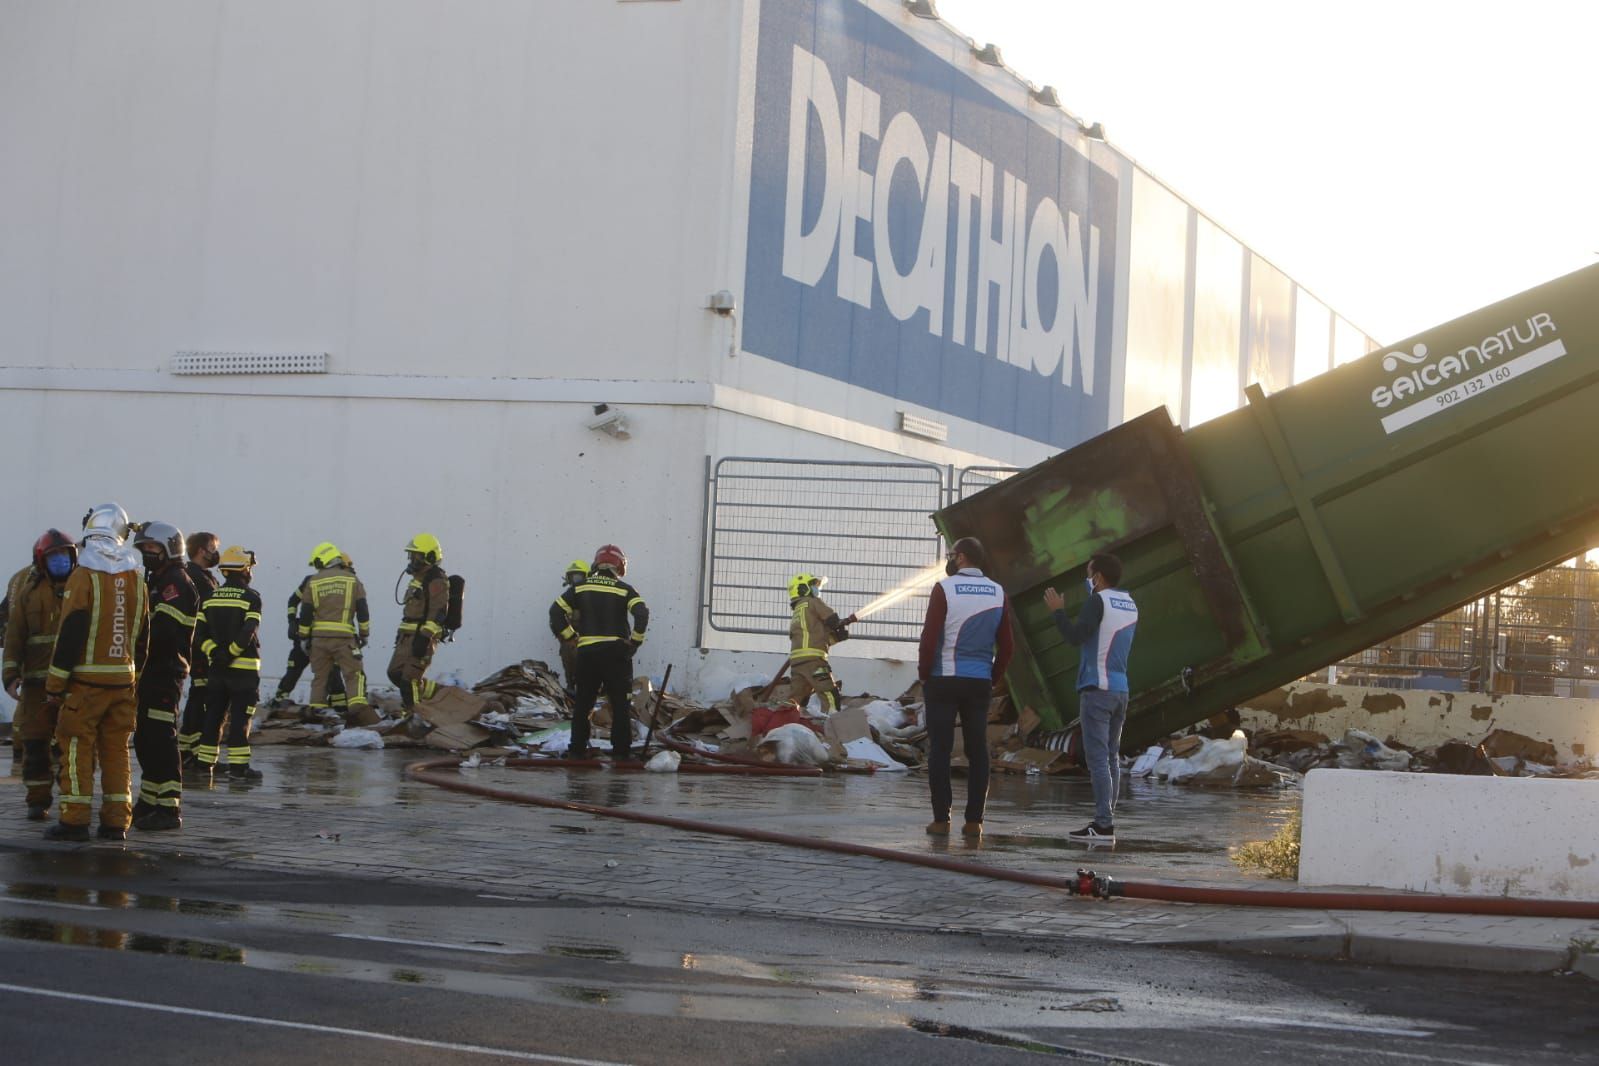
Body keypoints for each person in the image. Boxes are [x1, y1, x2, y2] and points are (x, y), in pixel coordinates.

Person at [44, 503, 148, 841]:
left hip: (85, 685)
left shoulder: (84, 574)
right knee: (117, 752)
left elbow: (71, 630)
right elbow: (144, 635)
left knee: (76, 748)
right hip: (123, 683)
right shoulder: (136, 576)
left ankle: (74, 820)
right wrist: (134, 677)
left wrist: (55, 684)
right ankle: (117, 822)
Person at [917, 537, 1012, 840]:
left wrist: (924, 674)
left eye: (952, 554)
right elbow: (1007, 646)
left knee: (940, 750)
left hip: (943, 679)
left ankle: (941, 820)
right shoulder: (998, 592)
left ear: (961, 558)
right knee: (977, 751)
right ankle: (974, 822)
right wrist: (992, 676)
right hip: (979, 682)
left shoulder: (944, 589)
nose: (949, 559)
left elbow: (929, 638)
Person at [1043, 552, 1139, 845]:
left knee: (1098, 759)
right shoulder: (1129, 603)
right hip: (1120, 689)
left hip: (1097, 688)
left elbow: (1075, 636)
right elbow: (1105, 623)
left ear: (1097, 577)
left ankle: (1103, 824)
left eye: (1089, 574)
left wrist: (1058, 611)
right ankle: (1107, 819)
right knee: (1111, 757)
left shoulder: (1097, 601)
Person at [3, 530, 77, 819]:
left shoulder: (82, 587)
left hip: (73, 685)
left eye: (66, 555)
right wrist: (10, 675)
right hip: (36, 685)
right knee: (35, 744)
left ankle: (73, 800)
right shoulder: (28, 593)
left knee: (73, 745)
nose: (61, 561)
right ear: (42, 560)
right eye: (54, 556)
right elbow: (14, 637)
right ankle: (37, 800)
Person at [549, 545, 648, 760]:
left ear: (596, 563)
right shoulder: (625, 589)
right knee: (620, 704)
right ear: (620, 565)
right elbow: (641, 614)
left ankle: (577, 751)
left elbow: (555, 611)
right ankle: (621, 754)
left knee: (584, 703)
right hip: (616, 654)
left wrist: (570, 637)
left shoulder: (580, 588)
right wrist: (634, 643)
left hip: (587, 654)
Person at [129, 522, 197, 830]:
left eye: (152, 549)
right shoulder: (157, 580)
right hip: (150, 671)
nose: (146, 554)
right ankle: (150, 800)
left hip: (165, 670)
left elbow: (165, 632)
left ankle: (169, 809)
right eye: (143, 549)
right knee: (145, 738)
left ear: (170, 549)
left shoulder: (175, 583)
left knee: (161, 738)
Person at [193, 546, 264, 784]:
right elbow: (249, 631)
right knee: (241, 719)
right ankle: (239, 768)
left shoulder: (210, 597)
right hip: (243, 671)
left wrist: (216, 653)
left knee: (213, 717)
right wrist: (232, 652)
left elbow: (199, 634)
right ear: (244, 569)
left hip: (217, 670)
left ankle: (204, 764)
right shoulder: (251, 597)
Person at [295, 542, 370, 718]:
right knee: (353, 674)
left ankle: (315, 711)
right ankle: (358, 711)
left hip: (319, 640)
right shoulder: (352, 580)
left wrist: (304, 638)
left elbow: (305, 613)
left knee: (320, 677)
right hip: (345, 639)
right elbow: (363, 610)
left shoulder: (313, 581)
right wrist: (364, 634)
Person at [387, 534, 449, 710]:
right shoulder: (418, 578)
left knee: (409, 680)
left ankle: (415, 716)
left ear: (429, 556)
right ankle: (439, 694)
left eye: (416, 555)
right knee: (395, 673)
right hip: (407, 636)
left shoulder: (436, 578)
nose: (412, 560)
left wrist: (425, 638)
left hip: (422, 636)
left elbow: (438, 611)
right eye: (411, 555)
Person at [178, 530, 220, 764]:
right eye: (213, 548)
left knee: (199, 694)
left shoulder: (201, 576)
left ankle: (188, 747)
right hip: (200, 647)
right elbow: (209, 613)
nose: (216, 554)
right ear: (202, 551)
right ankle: (190, 750)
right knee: (200, 695)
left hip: (198, 644)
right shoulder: (197, 578)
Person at [786, 573, 854, 715]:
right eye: (813, 586)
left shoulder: (798, 611)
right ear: (803, 588)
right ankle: (832, 728)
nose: (816, 589)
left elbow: (813, 638)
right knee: (830, 695)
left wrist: (835, 637)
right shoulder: (812, 602)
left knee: (795, 700)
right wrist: (838, 624)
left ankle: (783, 723)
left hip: (798, 663)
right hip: (814, 661)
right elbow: (832, 618)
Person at [3, 555, 37, 764]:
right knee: (32, 703)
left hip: (21, 649)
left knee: (24, 701)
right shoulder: (38, 580)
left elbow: (5, 611)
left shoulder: (17, 577)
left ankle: (19, 749)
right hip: (38, 651)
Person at [549, 559, 589, 699]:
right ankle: (571, 686)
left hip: (591, 639)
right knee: (568, 652)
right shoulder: (568, 596)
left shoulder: (592, 595)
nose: (575, 580)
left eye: (579, 576)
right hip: (572, 641)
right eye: (573, 577)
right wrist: (569, 637)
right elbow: (555, 617)